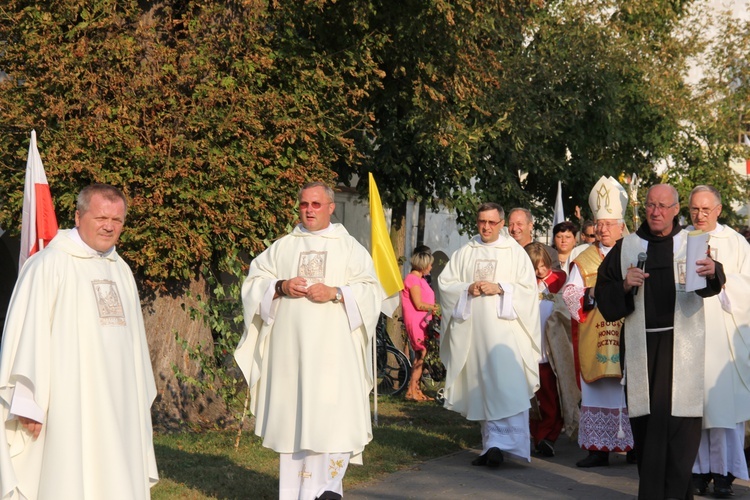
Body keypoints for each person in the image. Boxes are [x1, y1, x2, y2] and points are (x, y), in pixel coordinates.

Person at [0, 184, 159, 499]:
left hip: (119, 402)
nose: (109, 226)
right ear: (78, 216)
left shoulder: (121, 270)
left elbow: (133, 346)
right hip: (67, 402)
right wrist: (28, 402)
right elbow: (27, 334)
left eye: (117, 220)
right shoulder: (49, 265)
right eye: (101, 217)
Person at [234, 181, 382, 500]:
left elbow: (372, 291)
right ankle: (297, 493)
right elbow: (254, 282)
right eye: (304, 204)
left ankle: (327, 489)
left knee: (335, 417)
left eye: (316, 204)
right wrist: (281, 285)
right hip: (291, 357)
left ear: (331, 207)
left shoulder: (349, 248)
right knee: (295, 421)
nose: (309, 210)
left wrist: (337, 292)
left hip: (334, 355)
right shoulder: (284, 246)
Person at [595, 184, 725, 499]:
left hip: (683, 351)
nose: (656, 211)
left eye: (663, 206)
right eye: (651, 205)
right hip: (644, 351)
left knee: (681, 434)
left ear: (676, 209)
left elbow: (711, 282)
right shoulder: (627, 247)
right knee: (650, 432)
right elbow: (603, 294)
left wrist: (712, 272)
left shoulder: (690, 244)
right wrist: (624, 285)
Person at [438, 202, 541, 467]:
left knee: (507, 384)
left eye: (492, 222)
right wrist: (466, 288)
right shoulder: (465, 252)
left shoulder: (515, 254)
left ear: (501, 224)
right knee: (484, 384)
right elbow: (445, 284)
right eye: (482, 221)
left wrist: (502, 288)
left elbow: (529, 290)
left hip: (506, 335)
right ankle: (491, 445)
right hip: (475, 335)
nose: (486, 227)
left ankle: (509, 444)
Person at [562, 176, 634, 468]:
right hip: (597, 333)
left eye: (609, 223)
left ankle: (635, 446)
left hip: (629, 333)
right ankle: (597, 449)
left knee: (631, 391)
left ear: (621, 225)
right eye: (599, 223)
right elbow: (569, 293)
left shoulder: (634, 252)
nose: (602, 229)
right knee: (598, 391)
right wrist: (591, 294)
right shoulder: (584, 258)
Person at [687, 185, 750, 497]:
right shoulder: (680, 239)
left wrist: (720, 274)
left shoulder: (736, 242)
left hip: (724, 335)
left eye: (706, 209)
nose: (700, 215)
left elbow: (747, 285)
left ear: (719, 210)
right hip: (690, 333)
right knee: (695, 407)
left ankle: (725, 473)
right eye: (695, 209)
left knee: (723, 407)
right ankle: (698, 471)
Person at [525, 242, 567, 457]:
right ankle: (535, 436)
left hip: (551, 348)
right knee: (534, 397)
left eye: (543, 266)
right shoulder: (525, 283)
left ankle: (549, 437)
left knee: (551, 396)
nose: (540, 272)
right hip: (531, 347)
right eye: (535, 268)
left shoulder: (559, 280)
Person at [401, 248, 440, 402]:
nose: (431, 267)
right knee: (421, 354)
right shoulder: (412, 279)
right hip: (416, 320)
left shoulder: (421, 280)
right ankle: (412, 390)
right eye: (429, 265)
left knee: (421, 355)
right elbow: (418, 304)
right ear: (423, 265)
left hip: (424, 321)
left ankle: (415, 389)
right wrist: (434, 307)